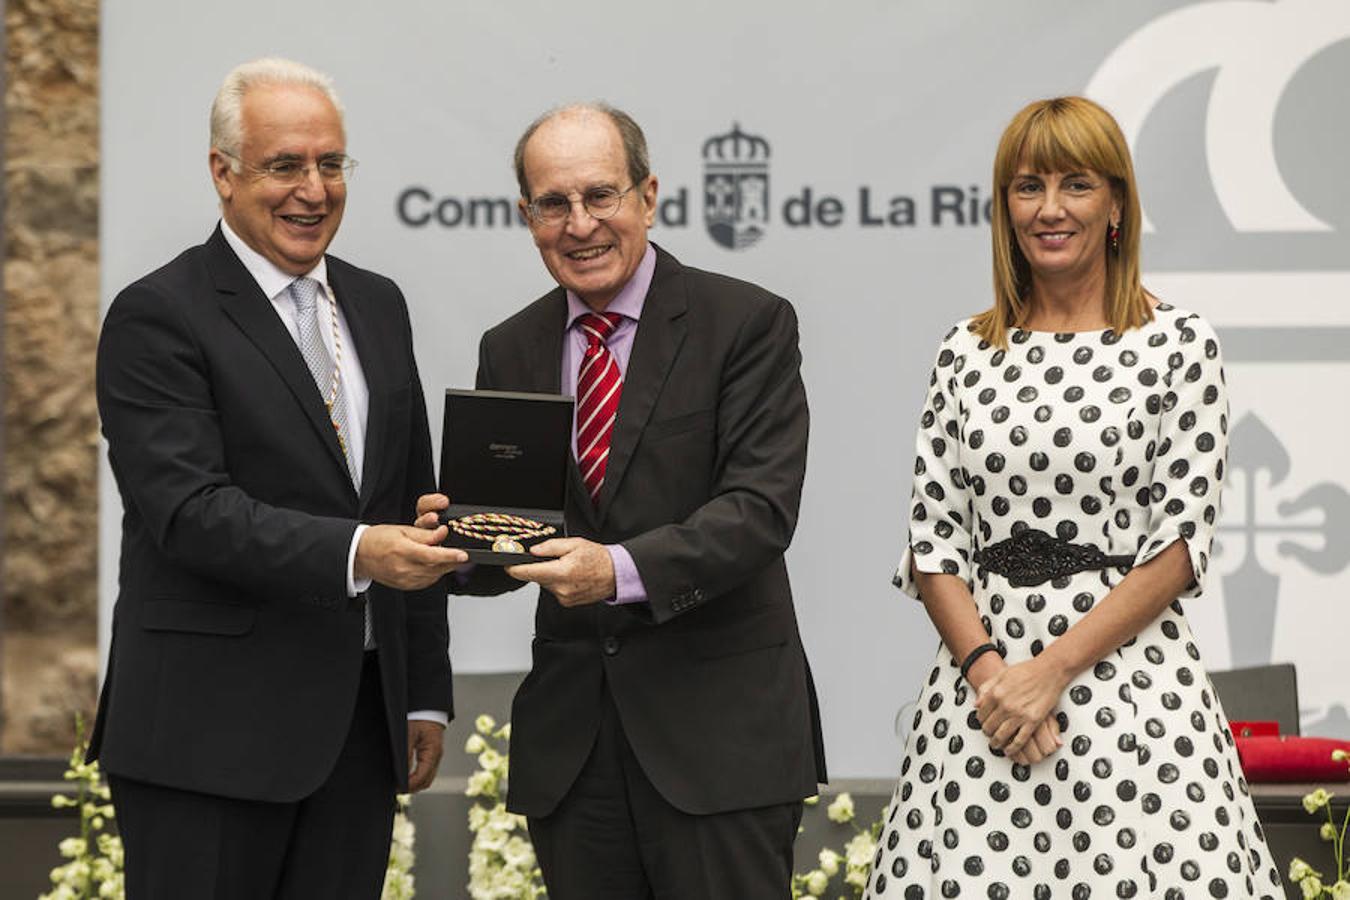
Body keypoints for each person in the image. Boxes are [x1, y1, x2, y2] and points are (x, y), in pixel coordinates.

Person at [865, 97, 1282, 898]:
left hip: (1132, 697)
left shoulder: (1179, 343)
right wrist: (995, 677)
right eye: (1028, 187)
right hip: (981, 705)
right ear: (1004, 209)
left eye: (1076, 185)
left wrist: (1050, 673)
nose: (1050, 209)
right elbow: (934, 541)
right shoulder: (965, 350)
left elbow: (1181, 543)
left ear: (1117, 203)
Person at [420, 102, 826, 899]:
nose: (580, 224)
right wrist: (455, 546)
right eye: (553, 204)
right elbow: (517, 539)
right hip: (576, 755)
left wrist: (617, 569)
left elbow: (759, 511)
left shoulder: (745, 323)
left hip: (718, 745)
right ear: (526, 215)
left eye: (600, 195)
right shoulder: (512, 345)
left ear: (649, 195)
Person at [90, 57, 466, 899]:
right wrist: (365, 552)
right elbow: (190, 513)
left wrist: (423, 695)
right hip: (205, 743)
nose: (314, 189)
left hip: (357, 737)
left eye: (331, 164)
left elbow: (410, 502)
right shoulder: (159, 315)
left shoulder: (378, 304)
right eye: (284, 166)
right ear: (223, 173)